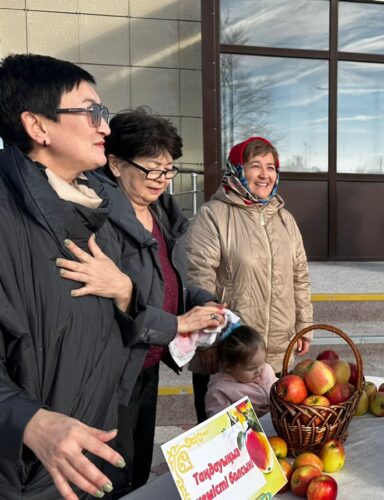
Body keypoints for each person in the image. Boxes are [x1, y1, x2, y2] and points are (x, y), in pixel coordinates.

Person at [0, 53, 142, 499]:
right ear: (37, 126)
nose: (105, 126)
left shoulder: (99, 210)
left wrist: (126, 293)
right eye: (92, 111)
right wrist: (29, 421)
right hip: (27, 474)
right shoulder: (6, 218)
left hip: (92, 455)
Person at [84, 108, 224, 496]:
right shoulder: (99, 218)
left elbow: (169, 279)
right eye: (152, 169)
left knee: (138, 468)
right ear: (114, 163)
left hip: (146, 362)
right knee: (109, 475)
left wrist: (205, 302)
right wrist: (178, 324)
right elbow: (111, 306)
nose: (162, 180)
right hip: (110, 369)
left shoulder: (160, 210)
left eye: (169, 170)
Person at [185, 136, 313, 422]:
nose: (265, 174)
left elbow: (299, 276)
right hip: (229, 354)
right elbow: (199, 278)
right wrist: (207, 341)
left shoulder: (285, 219)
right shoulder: (213, 215)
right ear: (237, 170)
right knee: (223, 448)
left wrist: (304, 323)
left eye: (271, 167)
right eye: (255, 165)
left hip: (276, 353)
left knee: (272, 444)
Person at [205, 325, 278, 418]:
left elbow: (276, 386)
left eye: (262, 362)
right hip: (249, 431)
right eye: (251, 368)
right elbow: (219, 419)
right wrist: (246, 413)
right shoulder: (220, 390)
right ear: (228, 367)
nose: (259, 370)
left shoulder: (266, 370)